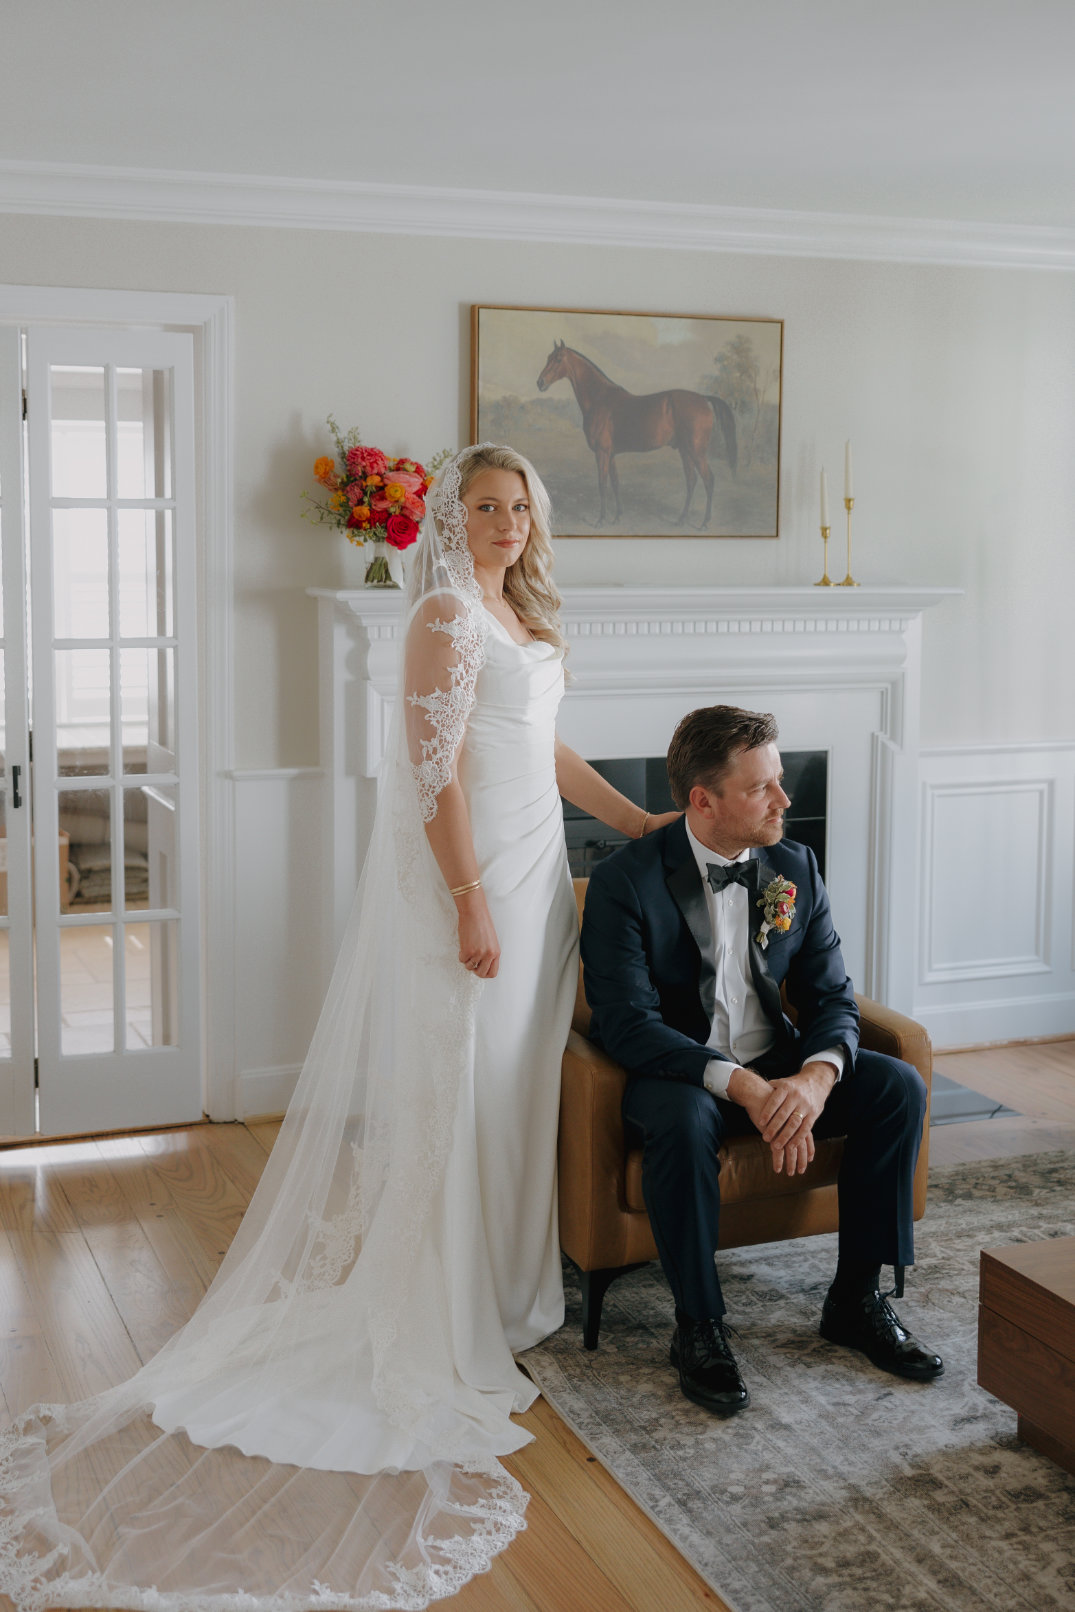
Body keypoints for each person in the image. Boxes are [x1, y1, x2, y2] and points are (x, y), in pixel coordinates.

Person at [0, 444, 674, 1611]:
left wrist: (637, 819)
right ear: (449, 520)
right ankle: (451, 1313)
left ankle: (512, 1296)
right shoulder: (445, 618)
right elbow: (432, 776)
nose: (506, 523)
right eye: (484, 507)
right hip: (472, 883)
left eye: (520, 507)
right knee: (459, 1093)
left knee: (513, 1090)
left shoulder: (520, 616)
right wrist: (467, 896)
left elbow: (541, 748)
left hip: (535, 872)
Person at [580, 703, 943, 1417]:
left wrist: (813, 1078)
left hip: (776, 1064)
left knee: (895, 1085)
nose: (784, 799)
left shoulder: (793, 865)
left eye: (778, 780)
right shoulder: (626, 881)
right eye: (761, 789)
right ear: (702, 800)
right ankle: (699, 1327)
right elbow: (626, 1025)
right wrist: (740, 1085)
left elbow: (832, 996)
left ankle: (854, 1301)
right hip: (679, 1073)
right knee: (683, 1125)